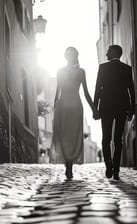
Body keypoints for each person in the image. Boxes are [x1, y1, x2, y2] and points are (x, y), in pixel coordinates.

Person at [52, 47, 97, 179]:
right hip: (64, 106)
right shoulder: (61, 72)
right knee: (64, 135)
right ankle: (68, 164)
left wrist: (94, 108)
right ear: (66, 56)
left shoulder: (80, 72)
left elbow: (86, 92)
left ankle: (69, 164)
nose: (70, 56)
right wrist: (55, 107)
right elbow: (57, 91)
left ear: (75, 56)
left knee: (72, 136)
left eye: (72, 54)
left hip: (74, 106)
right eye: (69, 54)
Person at [93, 45, 135, 180]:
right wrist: (132, 109)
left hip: (106, 107)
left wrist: (95, 108)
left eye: (107, 52)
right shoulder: (127, 69)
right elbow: (131, 90)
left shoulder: (103, 68)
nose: (105, 54)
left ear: (113, 53)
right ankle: (116, 169)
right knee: (118, 140)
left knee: (106, 139)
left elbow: (97, 89)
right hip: (122, 106)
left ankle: (108, 165)